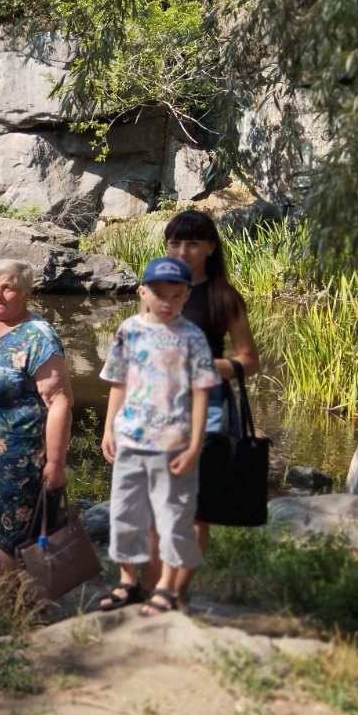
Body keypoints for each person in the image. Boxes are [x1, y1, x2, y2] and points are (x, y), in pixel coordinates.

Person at [99, 258, 217, 617]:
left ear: (186, 295)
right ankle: (127, 581)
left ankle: (166, 585)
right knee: (124, 512)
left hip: (174, 443)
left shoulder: (192, 337)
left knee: (174, 517)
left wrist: (196, 444)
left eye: (176, 295)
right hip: (130, 439)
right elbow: (118, 382)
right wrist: (108, 428)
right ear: (143, 292)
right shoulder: (128, 330)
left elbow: (201, 393)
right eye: (159, 294)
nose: (167, 302)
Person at [159, 209, 261, 600]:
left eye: (193, 243)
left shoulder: (222, 295)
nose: (183, 250)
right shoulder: (157, 288)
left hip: (208, 406)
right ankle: (155, 588)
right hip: (159, 406)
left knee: (197, 507)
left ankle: (176, 593)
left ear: (210, 248)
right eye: (175, 242)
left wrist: (202, 365)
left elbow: (249, 360)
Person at [0, 260, 74, 577]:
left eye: (8, 287)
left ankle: (18, 606)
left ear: (26, 292)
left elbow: (60, 401)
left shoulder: (38, 336)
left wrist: (56, 463)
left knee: (14, 536)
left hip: (20, 457)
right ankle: (14, 602)